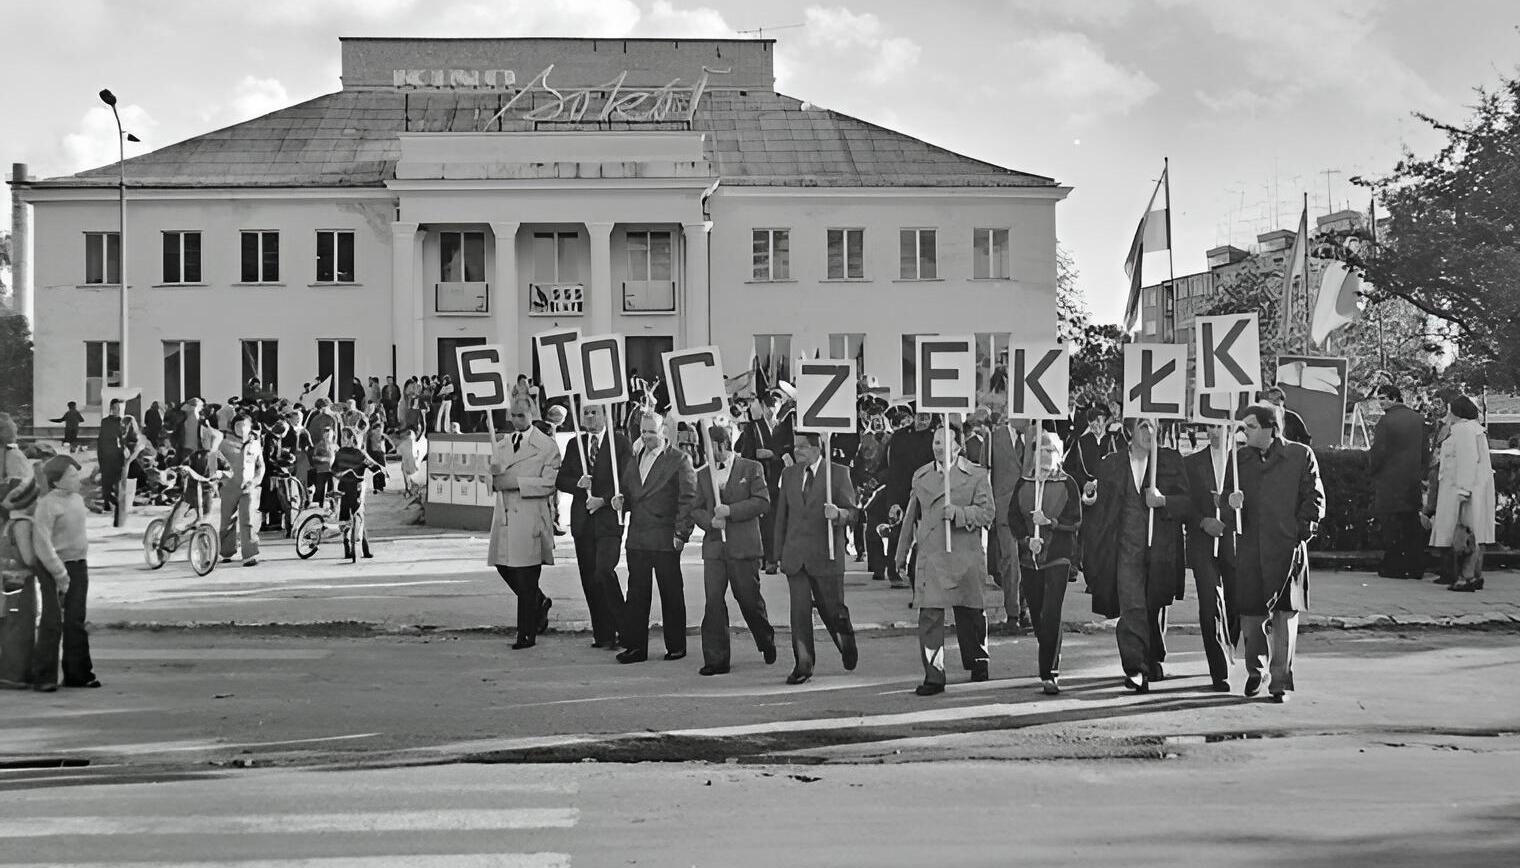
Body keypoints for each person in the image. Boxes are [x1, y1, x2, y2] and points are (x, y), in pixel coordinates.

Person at [1080, 418, 1189, 693]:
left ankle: (1153, 657)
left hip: (1161, 550)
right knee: (1132, 607)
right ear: (1130, 430)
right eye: (1142, 425)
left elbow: (1187, 502)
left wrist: (1164, 500)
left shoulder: (1171, 461)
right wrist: (1090, 498)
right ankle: (1135, 669)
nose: (1148, 431)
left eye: (1152, 426)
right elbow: (1099, 505)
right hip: (1125, 549)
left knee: (1154, 606)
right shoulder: (1112, 464)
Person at [894, 424, 995, 696]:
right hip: (931, 554)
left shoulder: (976, 475)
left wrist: (960, 514)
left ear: (958, 446)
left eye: (943, 442)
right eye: (935, 442)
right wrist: (901, 553)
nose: (937, 447)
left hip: (965, 554)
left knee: (970, 612)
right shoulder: (922, 475)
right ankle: (934, 675)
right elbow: (910, 517)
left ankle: (978, 660)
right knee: (929, 615)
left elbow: (987, 515)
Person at [1235, 403, 1325, 702]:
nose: (1243, 430)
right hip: (1250, 548)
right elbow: (1224, 501)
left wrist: (1301, 532)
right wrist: (1229, 503)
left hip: (1287, 551)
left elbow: (1315, 498)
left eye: (1250, 425)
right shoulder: (1239, 461)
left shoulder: (1300, 455)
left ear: (1270, 428)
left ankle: (1280, 681)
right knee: (1250, 615)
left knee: (1285, 617)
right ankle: (1255, 670)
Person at [691, 423, 777, 676]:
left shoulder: (751, 468)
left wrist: (731, 511)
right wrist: (709, 521)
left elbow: (762, 502)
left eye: (707, 447)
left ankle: (765, 638)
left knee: (749, 600)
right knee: (713, 603)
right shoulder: (703, 474)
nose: (704, 452)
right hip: (715, 550)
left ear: (721, 444)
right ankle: (716, 659)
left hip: (743, 548)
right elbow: (695, 508)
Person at [774, 431, 859, 685]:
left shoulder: (838, 473)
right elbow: (782, 516)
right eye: (795, 445)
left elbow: (853, 512)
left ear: (816, 448)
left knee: (832, 610)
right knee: (799, 613)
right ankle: (803, 664)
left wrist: (839, 515)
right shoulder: (789, 474)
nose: (797, 451)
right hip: (795, 555)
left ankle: (845, 640)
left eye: (802, 446)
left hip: (826, 555)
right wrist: (776, 554)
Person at [611, 412, 697, 664]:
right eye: (643, 431)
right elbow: (628, 491)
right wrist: (620, 502)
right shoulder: (634, 459)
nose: (646, 436)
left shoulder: (679, 460)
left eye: (652, 431)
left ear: (664, 433)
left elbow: (688, 499)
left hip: (665, 537)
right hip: (637, 536)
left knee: (671, 592)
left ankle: (676, 645)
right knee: (636, 593)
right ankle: (636, 647)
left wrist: (682, 533)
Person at [1008, 431, 1083, 694]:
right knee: (1039, 615)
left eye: (1050, 450)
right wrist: (1027, 540)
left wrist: (1050, 523)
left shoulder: (1068, 483)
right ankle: (1051, 650)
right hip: (1031, 559)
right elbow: (1014, 519)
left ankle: (1049, 673)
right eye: (1040, 449)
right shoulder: (1024, 482)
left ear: (1059, 454)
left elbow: (1075, 520)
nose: (1045, 454)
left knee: (1052, 612)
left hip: (1058, 556)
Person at [555, 404, 632, 651]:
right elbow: (561, 479)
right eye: (585, 412)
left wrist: (604, 500)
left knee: (604, 572)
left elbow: (627, 480)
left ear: (605, 415)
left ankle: (625, 628)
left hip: (609, 520)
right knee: (589, 579)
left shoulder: (619, 443)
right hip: (583, 522)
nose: (589, 416)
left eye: (594, 412)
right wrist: (578, 484)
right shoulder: (574, 444)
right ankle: (603, 634)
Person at [487, 398, 562, 649]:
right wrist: (494, 476)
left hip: (530, 516)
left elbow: (549, 483)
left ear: (532, 414)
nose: (516, 421)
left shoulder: (546, 446)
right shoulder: (503, 444)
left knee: (526, 574)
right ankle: (539, 602)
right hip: (507, 517)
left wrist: (517, 483)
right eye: (513, 416)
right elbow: (493, 479)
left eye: (521, 415)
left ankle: (526, 634)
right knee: (504, 567)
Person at [1182, 423, 1242, 692]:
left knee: (1235, 603)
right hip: (1203, 544)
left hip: (1236, 546)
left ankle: (1229, 650)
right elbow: (1185, 503)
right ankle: (1219, 670)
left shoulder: (1243, 464)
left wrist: (1232, 508)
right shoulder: (1192, 463)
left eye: (1221, 426)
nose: (1216, 432)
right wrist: (1202, 521)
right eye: (1212, 427)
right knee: (1210, 604)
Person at [30, 455, 98, 691]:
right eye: (71, 475)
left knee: (75, 621)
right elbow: (41, 543)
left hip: (78, 564)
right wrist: (59, 573)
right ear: (57, 481)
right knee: (52, 621)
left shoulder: (77, 500)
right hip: (52, 565)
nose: (77, 479)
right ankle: (44, 677)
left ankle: (78, 674)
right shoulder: (47, 505)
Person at [1425, 395, 1494, 593]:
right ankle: (1475, 574)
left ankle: (1467, 577)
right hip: (1474, 489)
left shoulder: (1463, 430)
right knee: (1475, 534)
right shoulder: (1474, 429)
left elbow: (1467, 460)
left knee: (1464, 536)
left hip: (1463, 490)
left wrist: (1464, 490)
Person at [1368, 385, 1430, 580]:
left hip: (1390, 482)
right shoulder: (1418, 419)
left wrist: (1371, 471)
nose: (1381, 403)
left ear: (1395, 398)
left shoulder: (1386, 421)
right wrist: (1422, 473)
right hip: (1411, 481)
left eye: (1384, 398)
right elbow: (1424, 451)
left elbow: (1378, 453)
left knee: (1392, 527)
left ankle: (1394, 567)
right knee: (1411, 525)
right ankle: (1415, 567)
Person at [879, 410, 936, 589]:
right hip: (902, 488)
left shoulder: (936, 436)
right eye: (921, 417)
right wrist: (894, 498)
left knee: (926, 533)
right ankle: (894, 569)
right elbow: (893, 467)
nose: (924, 421)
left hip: (928, 490)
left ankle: (919, 571)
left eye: (927, 417)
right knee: (897, 531)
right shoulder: (900, 437)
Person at [735, 393, 788, 574]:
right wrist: (757, 455)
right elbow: (744, 453)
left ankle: (774, 557)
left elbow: (787, 450)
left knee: (777, 519)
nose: (773, 410)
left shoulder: (783, 426)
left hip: (778, 479)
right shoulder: (753, 428)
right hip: (760, 479)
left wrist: (775, 455)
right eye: (770, 406)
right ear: (764, 407)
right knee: (763, 521)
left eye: (776, 405)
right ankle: (765, 558)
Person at [988, 416, 1032, 628]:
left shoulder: (1037, 435)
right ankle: (1013, 612)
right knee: (1010, 561)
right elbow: (985, 473)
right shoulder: (994, 437)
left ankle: (1026, 608)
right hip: (1004, 509)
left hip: (1031, 510)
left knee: (1031, 559)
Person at [0, 476, 40, 689]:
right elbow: (28, 558)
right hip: (21, 582)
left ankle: (11, 672)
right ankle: (15, 675)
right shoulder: (22, 524)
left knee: (10, 627)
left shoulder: (7, 523)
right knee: (21, 627)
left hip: (7, 581)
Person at [218, 415, 265, 567]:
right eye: (237, 425)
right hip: (229, 487)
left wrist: (256, 481)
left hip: (248, 487)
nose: (241, 428)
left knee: (248, 521)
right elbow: (215, 462)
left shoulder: (255, 444)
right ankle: (226, 552)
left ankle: (250, 555)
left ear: (250, 427)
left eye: (244, 425)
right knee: (227, 521)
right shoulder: (224, 444)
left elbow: (260, 466)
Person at [333, 427, 384, 560]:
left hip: (356, 489)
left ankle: (364, 548)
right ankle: (347, 547)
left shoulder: (359, 454)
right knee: (344, 518)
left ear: (352, 438)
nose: (343, 440)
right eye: (342, 437)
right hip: (344, 488)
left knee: (359, 517)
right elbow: (333, 469)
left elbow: (373, 466)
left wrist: (379, 473)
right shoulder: (340, 453)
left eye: (345, 437)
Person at [95, 398, 140, 514]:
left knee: (118, 481)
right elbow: (101, 440)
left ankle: (119, 505)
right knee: (106, 481)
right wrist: (100, 456)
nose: (118, 411)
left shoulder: (124, 422)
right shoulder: (105, 422)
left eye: (120, 409)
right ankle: (107, 504)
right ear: (111, 409)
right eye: (116, 408)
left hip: (119, 456)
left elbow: (129, 438)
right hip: (106, 455)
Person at [364, 419, 392, 493]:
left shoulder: (370, 433)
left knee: (376, 469)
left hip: (373, 453)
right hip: (379, 453)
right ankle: (380, 486)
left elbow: (368, 445)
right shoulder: (379, 433)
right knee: (381, 468)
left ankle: (377, 486)